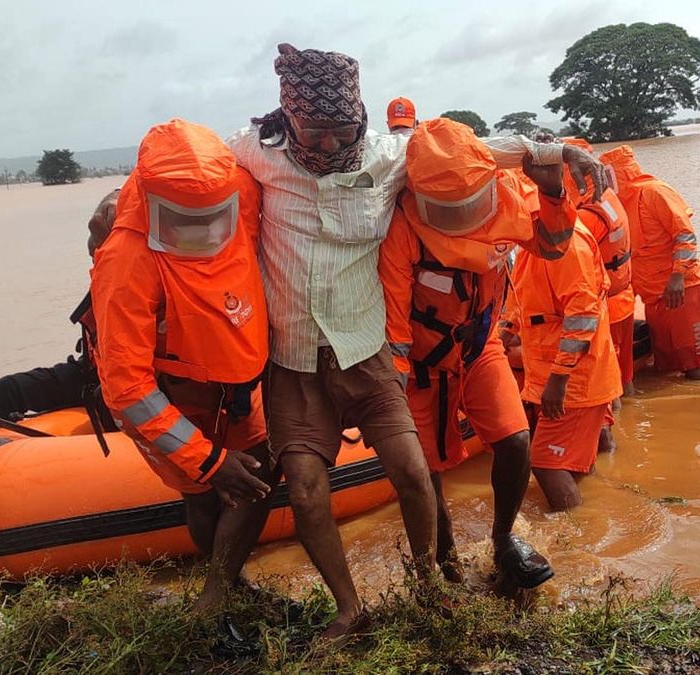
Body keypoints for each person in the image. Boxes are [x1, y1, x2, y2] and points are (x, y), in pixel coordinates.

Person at [227, 43, 605, 637]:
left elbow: (477, 153)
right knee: (396, 472)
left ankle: (489, 547)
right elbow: (199, 171)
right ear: (290, 119)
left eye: (341, 131)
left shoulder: (393, 160)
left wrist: (559, 154)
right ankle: (426, 575)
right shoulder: (258, 155)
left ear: (361, 120)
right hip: (327, 358)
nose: (328, 145)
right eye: (314, 132)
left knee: (505, 442)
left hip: (427, 349)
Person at [90, 119, 275, 631]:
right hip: (172, 395)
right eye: (184, 219)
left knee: (260, 472)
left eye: (213, 216)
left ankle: (226, 583)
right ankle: (217, 593)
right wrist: (209, 460)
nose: (203, 230)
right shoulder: (126, 260)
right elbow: (127, 388)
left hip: (236, 385)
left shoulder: (240, 191)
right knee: (202, 491)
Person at [379, 119, 576, 588]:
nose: (462, 216)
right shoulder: (402, 228)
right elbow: (394, 326)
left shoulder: (508, 194)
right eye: (448, 209)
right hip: (423, 368)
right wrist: (393, 388)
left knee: (515, 441)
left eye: (470, 204)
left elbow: (553, 246)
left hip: (480, 347)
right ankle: (445, 563)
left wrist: (553, 194)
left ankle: (504, 539)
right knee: (425, 471)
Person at [503, 190, 622, 511]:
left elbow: (583, 315)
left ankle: (575, 539)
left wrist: (559, 378)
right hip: (553, 372)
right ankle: (593, 513)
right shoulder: (536, 246)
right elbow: (524, 300)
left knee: (545, 462)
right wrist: (505, 334)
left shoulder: (568, 247)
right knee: (567, 461)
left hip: (574, 379)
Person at [0, 190, 119, 426]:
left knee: (109, 403)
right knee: (9, 389)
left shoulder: (152, 273)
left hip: (127, 378)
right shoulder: (104, 273)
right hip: (89, 371)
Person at [599, 145, 700, 380]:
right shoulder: (617, 204)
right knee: (666, 366)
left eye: (607, 175)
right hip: (651, 295)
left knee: (693, 367)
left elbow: (685, 235)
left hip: (680, 290)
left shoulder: (654, 192)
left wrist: (678, 275)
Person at [562, 137, 635, 409]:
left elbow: (570, 265)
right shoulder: (609, 197)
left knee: (607, 387)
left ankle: (616, 441)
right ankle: (635, 426)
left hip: (605, 308)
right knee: (624, 380)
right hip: (623, 297)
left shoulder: (588, 214)